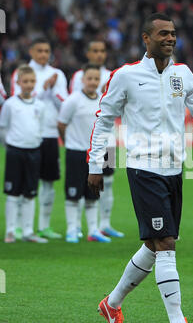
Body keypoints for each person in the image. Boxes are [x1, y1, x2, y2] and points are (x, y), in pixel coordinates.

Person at [87, 13, 193, 323]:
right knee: (166, 244)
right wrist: (96, 165)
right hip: (143, 168)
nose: (170, 38)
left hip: (175, 169)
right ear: (145, 39)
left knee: (152, 245)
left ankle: (112, 303)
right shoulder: (125, 76)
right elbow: (104, 120)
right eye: (162, 33)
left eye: (173, 33)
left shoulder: (182, 74)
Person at [10, 38, 68, 240]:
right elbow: (18, 99)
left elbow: (64, 105)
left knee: (48, 183)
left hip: (50, 134)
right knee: (24, 183)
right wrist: (44, 88)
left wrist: (51, 90)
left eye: (47, 50)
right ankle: (17, 227)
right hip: (27, 136)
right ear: (31, 51)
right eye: (40, 50)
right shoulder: (22, 72)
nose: (44, 54)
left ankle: (44, 226)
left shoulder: (58, 74)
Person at [69, 40, 124, 239]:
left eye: (102, 51)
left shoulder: (114, 75)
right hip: (89, 141)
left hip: (108, 141)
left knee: (107, 181)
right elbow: (77, 103)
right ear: (88, 53)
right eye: (95, 51)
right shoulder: (79, 77)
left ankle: (105, 224)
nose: (99, 54)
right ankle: (78, 226)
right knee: (87, 181)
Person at [58, 64, 111, 243]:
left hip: (95, 155)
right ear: (82, 79)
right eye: (90, 78)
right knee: (73, 194)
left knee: (93, 194)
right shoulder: (73, 100)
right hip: (76, 152)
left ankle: (93, 230)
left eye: (96, 79)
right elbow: (61, 124)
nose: (93, 82)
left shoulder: (103, 101)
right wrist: (69, 143)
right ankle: (72, 229)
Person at [0, 65, 48, 243]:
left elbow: (40, 127)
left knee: (30, 192)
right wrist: (11, 145)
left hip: (34, 151)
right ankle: (11, 230)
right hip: (15, 151)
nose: (29, 85)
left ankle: (28, 231)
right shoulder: (10, 104)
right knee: (13, 193)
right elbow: (3, 128)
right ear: (18, 82)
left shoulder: (40, 105)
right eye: (25, 81)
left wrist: (34, 142)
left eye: (32, 81)